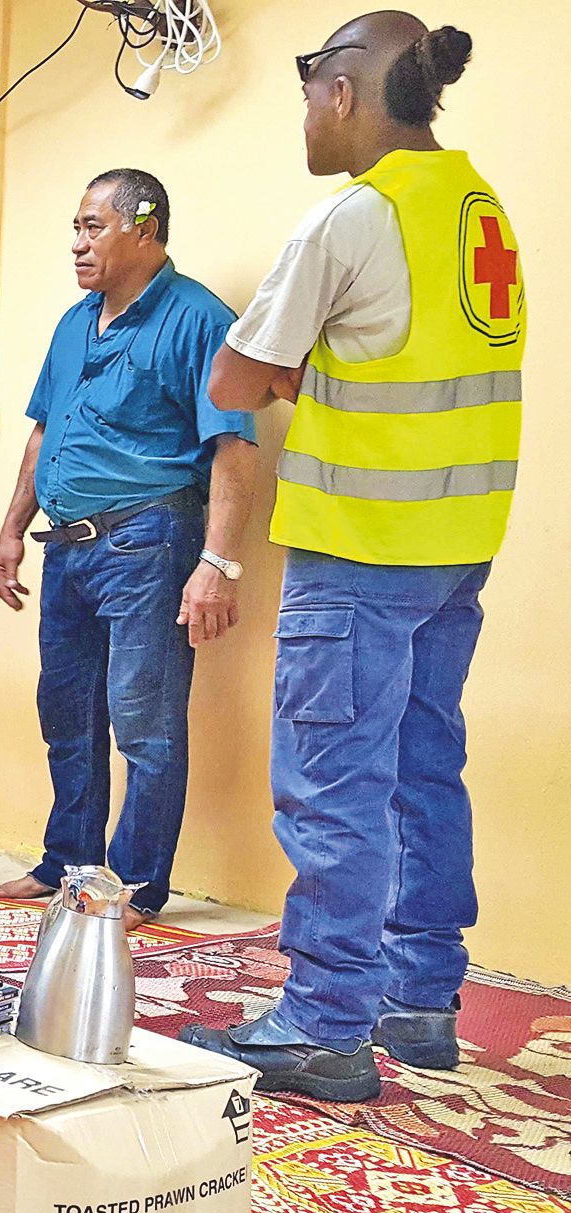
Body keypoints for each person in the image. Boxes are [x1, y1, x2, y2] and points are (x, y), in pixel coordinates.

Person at [184, 15, 521, 1103]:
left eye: (307, 98)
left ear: (339, 92)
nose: (303, 122)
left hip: (359, 546)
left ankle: (323, 1021)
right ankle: (418, 1001)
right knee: (423, 773)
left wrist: (296, 372)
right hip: (453, 548)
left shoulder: (351, 216)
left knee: (330, 785)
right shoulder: (477, 207)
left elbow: (234, 381)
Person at [0, 169, 255, 932]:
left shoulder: (200, 320)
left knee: (145, 719)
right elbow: (43, 431)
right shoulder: (74, 323)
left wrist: (217, 563)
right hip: (65, 547)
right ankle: (67, 862)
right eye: (73, 228)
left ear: (143, 226)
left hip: (149, 540)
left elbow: (232, 450)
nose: (76, 244)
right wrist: (11, 527)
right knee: (65, 711)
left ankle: (135, 881)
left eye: (92, 227)